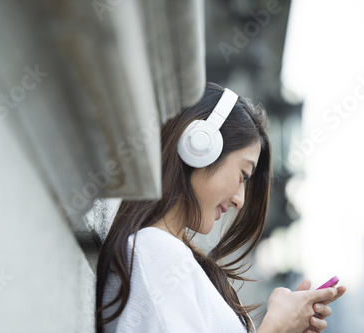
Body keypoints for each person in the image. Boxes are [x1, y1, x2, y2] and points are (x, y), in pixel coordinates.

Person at [95, 82, 346, 333]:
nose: (240, 200)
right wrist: (276, 328)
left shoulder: (166, 256)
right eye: (243, 175)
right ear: (200, 145)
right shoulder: (155, 251)